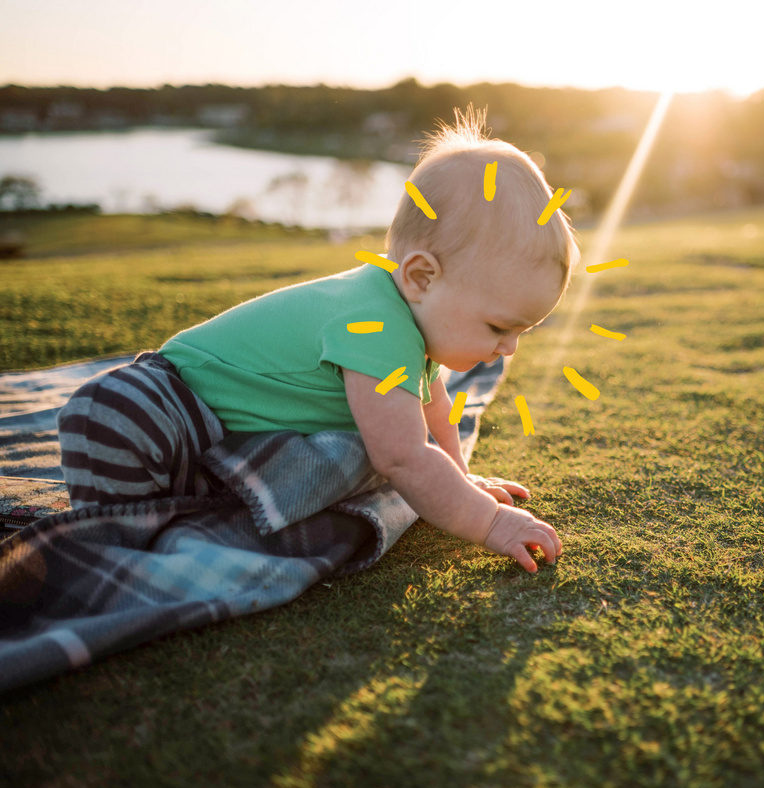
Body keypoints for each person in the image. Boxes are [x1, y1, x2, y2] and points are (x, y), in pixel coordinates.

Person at [57, 107, 581, 573]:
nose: (509, 349)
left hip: (214, 437)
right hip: (168, 400)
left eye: (520, 333)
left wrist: (461, 486)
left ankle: (161, 510)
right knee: (109, 417)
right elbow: (402, 457)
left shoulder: (412, 329)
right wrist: (489, 523)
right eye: (499, 327)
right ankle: (104, 542)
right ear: (422, 277)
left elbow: (436, 420)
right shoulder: (375, 324)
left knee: (186, 490)